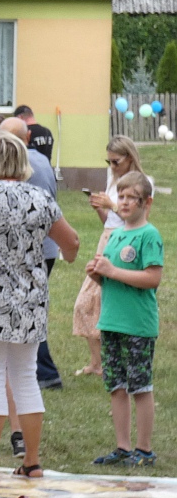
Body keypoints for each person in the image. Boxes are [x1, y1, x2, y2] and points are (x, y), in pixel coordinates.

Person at [0, 134, 79, 481]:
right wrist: (65, 257)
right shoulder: (41, 198)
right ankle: (32, 462)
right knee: (26, 377)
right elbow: (72, 242)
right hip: (30, 298)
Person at [88, 171, 164, 468]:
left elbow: (152, 278)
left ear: (147, 202)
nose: (124, 202)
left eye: (132, 197)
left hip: (137, 324)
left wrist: (112, 271)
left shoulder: (149, 235)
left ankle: (144, 450)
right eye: (121, 196)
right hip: (111, 322)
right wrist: (98, 275)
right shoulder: (116, 235)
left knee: (140, 386)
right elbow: (111, 279)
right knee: (116, 385)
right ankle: (122, 447)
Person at [72, 136, 147, 378]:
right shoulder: (113, 181)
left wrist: (113, 204)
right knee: (86, 303)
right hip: (107, 240)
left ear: (129, 158)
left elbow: (137, 221)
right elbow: (110, 221)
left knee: (110, 302)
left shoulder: (143, 184)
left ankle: (116, 361)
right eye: (109, 161)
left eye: (116, 161)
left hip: (124, 244)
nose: (112, 166)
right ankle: (97, 362)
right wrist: (101, 209)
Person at [0, 116, 64, 391]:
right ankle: (37, 371)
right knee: (28, 308)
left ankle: (45, 372)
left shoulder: (24, 164)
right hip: (44, 245)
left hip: (32, 247)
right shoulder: (41, 159)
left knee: (26, 311)